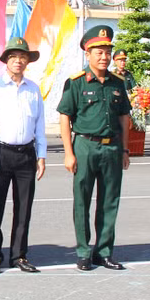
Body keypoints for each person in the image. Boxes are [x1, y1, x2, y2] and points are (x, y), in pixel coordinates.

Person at [58, 26, 131, 270]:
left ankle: (105, 251)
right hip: (85, 146)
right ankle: (83, 251)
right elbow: (65, 117)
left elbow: (123, 118)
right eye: (99, 52)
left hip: (111, 148)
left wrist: (125, 149)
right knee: (82, 200)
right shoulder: (76, 82)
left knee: (110, 200)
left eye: (107, 52)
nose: (104, 56)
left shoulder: (117, 83)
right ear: (87, 54)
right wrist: (69, 152)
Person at [0, 37, 47, 274]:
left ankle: (19, 255)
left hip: (26, 154)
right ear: (6, 60)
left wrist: (42, 155)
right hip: (0, 153)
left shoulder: (33, 89)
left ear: (28, 61)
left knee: (24, 207)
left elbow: (39, 124)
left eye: (23, 57)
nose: (18, 61)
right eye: (14, 57)